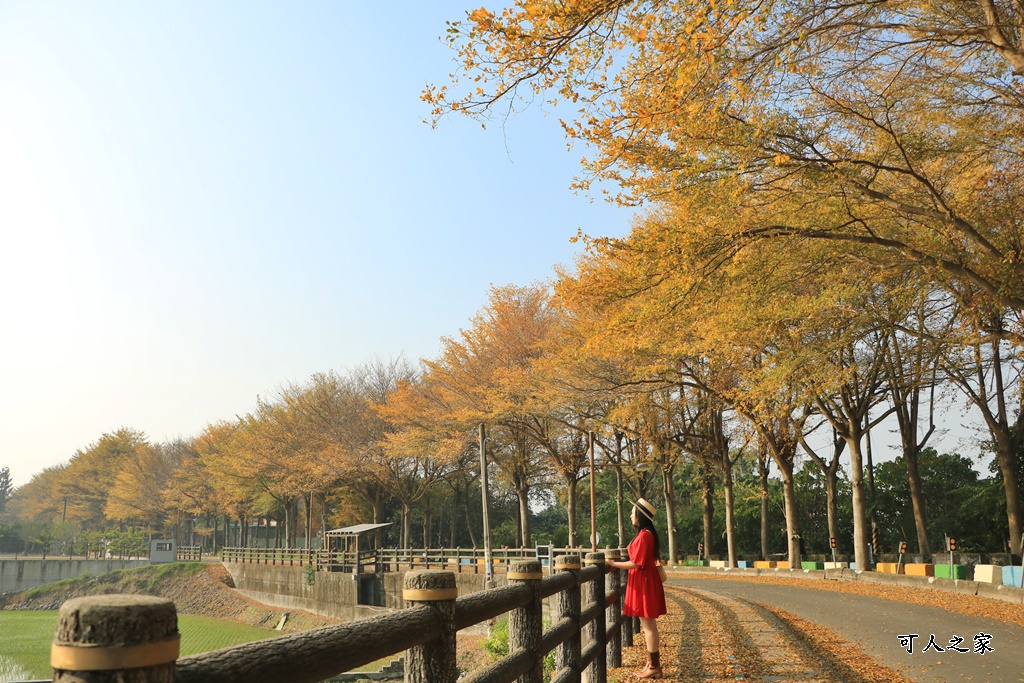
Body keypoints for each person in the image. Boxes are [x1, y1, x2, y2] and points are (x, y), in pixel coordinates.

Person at [607, 498, 667, 678]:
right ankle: (651, 664)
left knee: (648, 626)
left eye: (633, 512)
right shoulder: (646, 534)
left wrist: (613, 563)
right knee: (648, 625)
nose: (631, 515)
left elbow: (636, 563)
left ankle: (654, 666)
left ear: (640, 515)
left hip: (644, 582)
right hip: (644, 580)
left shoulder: (645, 536)